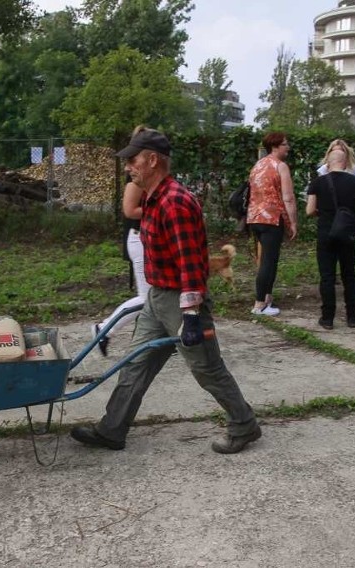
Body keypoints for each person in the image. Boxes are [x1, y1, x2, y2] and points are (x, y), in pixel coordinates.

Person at [70, 128, 261, 454]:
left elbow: (190, 264)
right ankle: (112, 430)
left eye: (133, 160)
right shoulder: (154, 198)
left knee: (206, 368)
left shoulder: (174, 203)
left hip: (180, 300)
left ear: (152, 159)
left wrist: (191, 315)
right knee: (136, 364)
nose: (128, 166)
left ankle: (244, 425)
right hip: (158, 297)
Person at [306, 149, 355, 329]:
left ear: (328, 162)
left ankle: (327, 318)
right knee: (349, 274)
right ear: (345, 161)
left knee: (327, 276)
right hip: (347, 234)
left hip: (326, 233)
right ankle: (352, 317)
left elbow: (310, 210)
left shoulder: (318, 182)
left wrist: (324, 213)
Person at [91, 174, 149, 356]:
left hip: (149, 237)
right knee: (147, 298)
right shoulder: (137, 179)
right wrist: (163, 208)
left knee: (158, 295)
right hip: (140, 239)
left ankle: (155, 338)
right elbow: (130, 210)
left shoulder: (152, 177)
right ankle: (104, 329)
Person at [247, 132, 298, 316]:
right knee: (269, 261)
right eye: (285, 144)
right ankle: (259, 304)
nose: (288, 147)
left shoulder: (258, 165)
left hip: (254, 218)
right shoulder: (280, 166)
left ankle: (267, 298)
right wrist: (293, 222)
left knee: (268, 259)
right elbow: (288, 197)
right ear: (275, 146)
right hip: (272, 218)